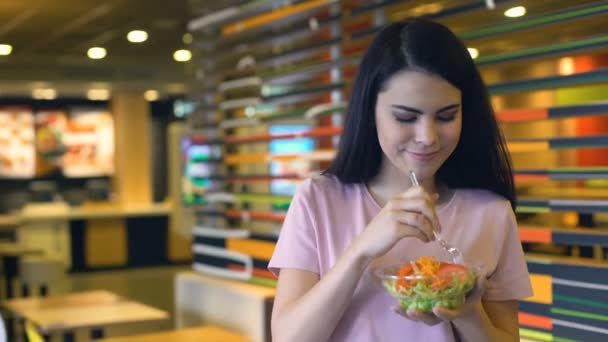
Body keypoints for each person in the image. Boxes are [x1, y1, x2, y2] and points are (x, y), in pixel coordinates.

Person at [268, 17, 532, 342]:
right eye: (406, 117)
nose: (428, 137)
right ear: (370, 111)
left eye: (447, 116)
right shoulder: (318, 200)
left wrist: (466, 311)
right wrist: (362, 250)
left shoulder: (491, 212)